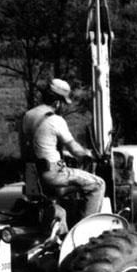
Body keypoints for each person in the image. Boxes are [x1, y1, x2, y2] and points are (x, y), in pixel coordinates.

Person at [19, 78, 105, 221]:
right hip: (52, 176)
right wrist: (88, 154)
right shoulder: (56, 120)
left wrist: (60, 154)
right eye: (63, 103)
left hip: (31, 177)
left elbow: (30, 147)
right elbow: (74, 149)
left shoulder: (27, 116)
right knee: (98, 184)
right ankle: (85, 228)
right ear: (57, 102)